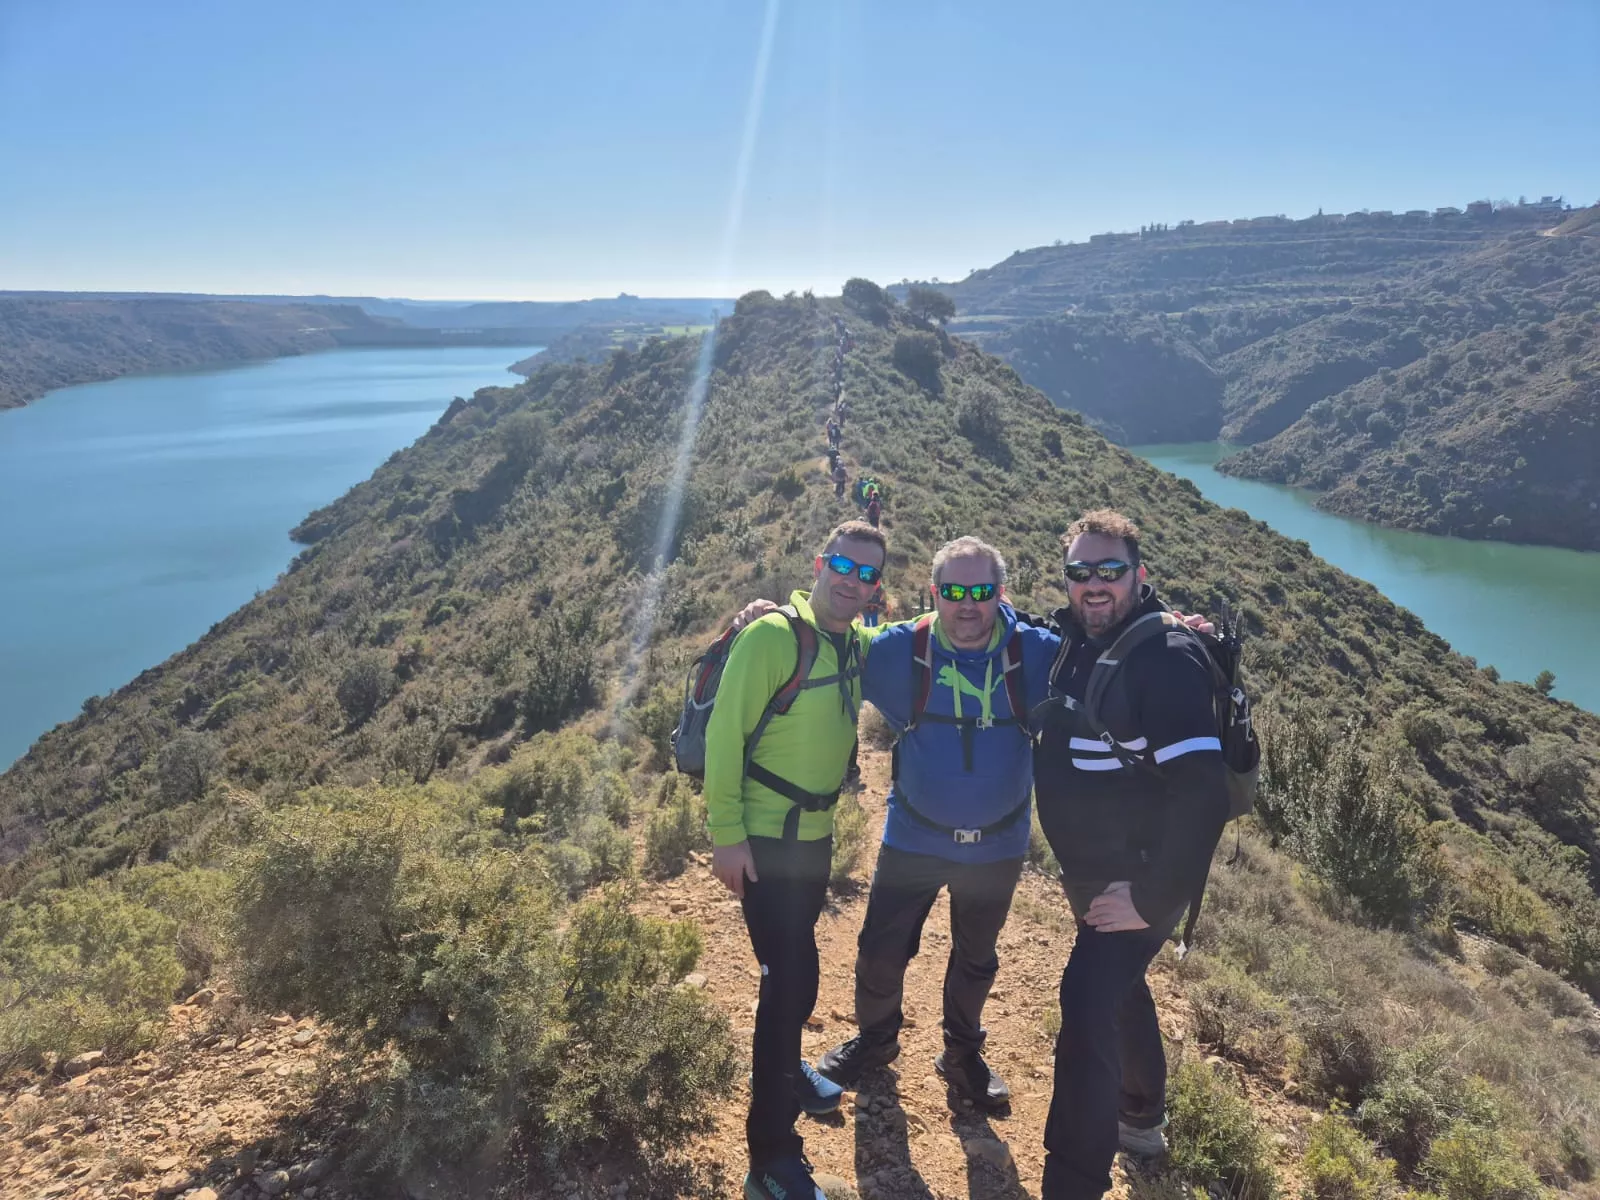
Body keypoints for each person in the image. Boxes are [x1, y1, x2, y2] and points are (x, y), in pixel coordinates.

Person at [1027, 510, 1232, 1200]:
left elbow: (1202, 792)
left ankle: (1073, 1183)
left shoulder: (1162, 660)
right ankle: (1142, 1115)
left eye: (1109, 571)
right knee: (1118, 989)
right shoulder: (1083, 638)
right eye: (1080, 571)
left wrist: (1147, 895)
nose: (1093, 585)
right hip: (1098, 871)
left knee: (1085, 1002)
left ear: (1139, 576)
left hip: (1140, 873)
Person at [815, 538, 1059, 1112]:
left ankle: (962, 1055)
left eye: (981, 592)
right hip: (914, 836)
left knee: (976, 958)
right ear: (934, 593)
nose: (967, 605)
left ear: (1002, 594)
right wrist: (770, 613)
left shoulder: (1040, 654)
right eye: (954, 592)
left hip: (997, 844)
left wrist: (1173, 625)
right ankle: (876, 1043)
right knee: (880, 950)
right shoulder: (899, 650)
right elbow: (826, 635)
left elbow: (1109, 651)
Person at [706, 521, 887, 1200]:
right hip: (762, 837)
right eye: (843, 564)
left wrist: (990, 607)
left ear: (876, 587)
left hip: (812, 839)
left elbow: (922, 634)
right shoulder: (773, 636)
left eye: (868, 573)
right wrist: (726, 833)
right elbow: (725, 734)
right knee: (789, 988)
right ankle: (771, 1152)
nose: (852, 579)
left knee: (798, 970)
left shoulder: (853, 643)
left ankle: (789, 1071)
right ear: (820, 562)